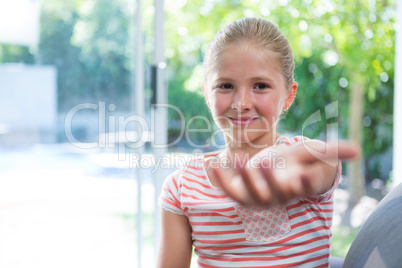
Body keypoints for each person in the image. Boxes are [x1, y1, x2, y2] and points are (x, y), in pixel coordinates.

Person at [157, 17, 360, 268]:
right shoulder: (181, 187)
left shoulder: (311, 160)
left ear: (288, 96)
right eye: (226, 85)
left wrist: (264, 167)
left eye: (260, 86)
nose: (241, 102)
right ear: (207, 95)